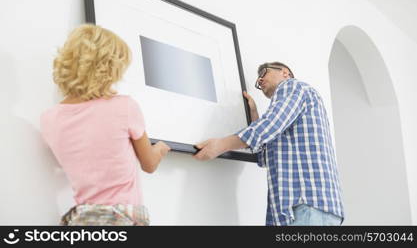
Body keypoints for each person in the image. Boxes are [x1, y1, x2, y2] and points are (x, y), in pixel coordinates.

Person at [40, 24, 170, 226]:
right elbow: (149, 164)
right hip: (123, 219)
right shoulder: (125, 107)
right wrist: (160, 149)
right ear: (110, 69)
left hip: (81, 220)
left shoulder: (49, 118)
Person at [194, 62, 344, 226]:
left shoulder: (293, 86)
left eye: (263, 73)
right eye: (258, 79)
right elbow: (265, 157)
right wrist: (253, 113)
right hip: (308, 209)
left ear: (285, 73)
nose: (259, 80)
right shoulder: (293, 115)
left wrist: (221, 145)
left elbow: (272, 124)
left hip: (307, 206)